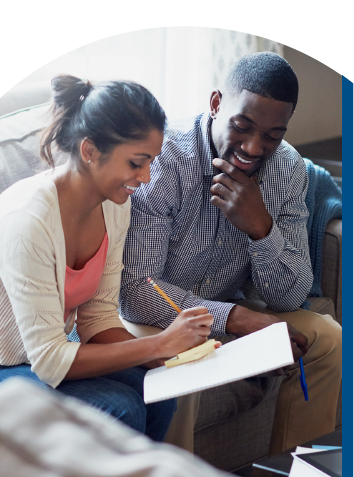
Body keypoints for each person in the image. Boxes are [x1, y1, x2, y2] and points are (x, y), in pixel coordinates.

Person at [0, 75, 214, 442]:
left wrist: (158, 357)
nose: (146, 176)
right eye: (137, 162)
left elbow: (98, 319)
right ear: (90, 151)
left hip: (30, 358)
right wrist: (157, 344)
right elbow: (50, 359)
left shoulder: (115, 205)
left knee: (157, 397)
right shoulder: (27, 221)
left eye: (151, 162)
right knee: (118, 408)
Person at [119, 53, 342, 453]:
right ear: (217, 103)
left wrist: (261, 228)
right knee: (185, 361)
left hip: (222, 308)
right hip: (155, 319)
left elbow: (289, 297)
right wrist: (237, 319)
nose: (254, 147)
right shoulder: (166, 160)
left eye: (272, 135)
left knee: (327, 336)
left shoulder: (287, 169)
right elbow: (136, 293)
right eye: (242, 127)